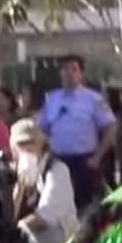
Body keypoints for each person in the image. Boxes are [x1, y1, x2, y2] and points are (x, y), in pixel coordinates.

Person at [37, 55, 116, 208]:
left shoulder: (93, 99)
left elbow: (110, 127)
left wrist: (97, 157)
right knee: (57, 204)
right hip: (58, 160)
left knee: (84, 206)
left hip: (84, 161)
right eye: (65, 69)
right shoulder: (51, 99)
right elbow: (41, 128)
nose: (69, 73)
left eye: (74, 69)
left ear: (81, 74)